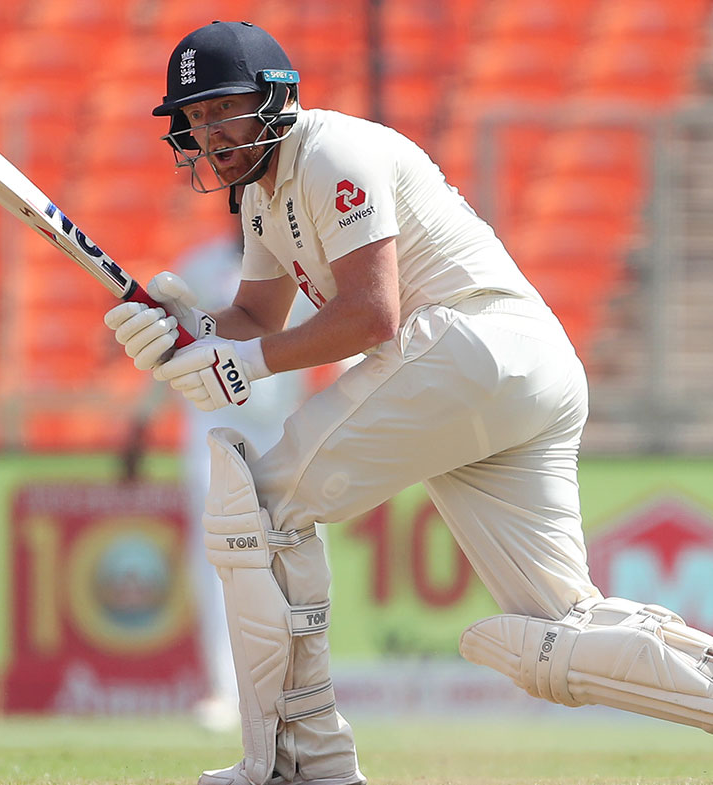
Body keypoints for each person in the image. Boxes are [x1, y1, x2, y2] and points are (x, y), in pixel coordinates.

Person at [105, 20, 713, 785]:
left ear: (273, 97)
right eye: (192, 119)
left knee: (257, 506)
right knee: (560, 632)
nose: (208, 133)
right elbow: (258, 318)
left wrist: (243, 363)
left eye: (221, 108)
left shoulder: (330, 153)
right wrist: (185, 328)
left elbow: (372, 316)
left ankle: (303, 763)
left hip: (475, 348)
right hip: (519, 366)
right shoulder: (260, 196)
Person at [119, 221, 310, 734]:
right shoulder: (202, 266)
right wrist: (142, 422)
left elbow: (344, 336)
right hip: (213, 419)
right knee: (219, 559)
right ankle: (227, 692)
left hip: (283, 425)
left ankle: (301, 689)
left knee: (297, 553)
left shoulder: (309, 261)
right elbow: (166, 346)